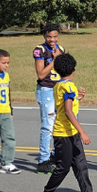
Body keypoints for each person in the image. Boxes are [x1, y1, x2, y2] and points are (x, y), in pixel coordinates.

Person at [33, 53, 97, 192]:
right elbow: (67, 111)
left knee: (81, 167)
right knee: (63, 168)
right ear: (74, 68)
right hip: (63, 134)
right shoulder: (68, 86)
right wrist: (83, 132)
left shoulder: (59, 85)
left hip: (70, 133)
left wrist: (77, 98)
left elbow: (65, 104)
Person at [32, 25, 65, 173]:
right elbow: (40, 74)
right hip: (46, 90)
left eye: (55, 36)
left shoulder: (61, 48)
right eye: (49, 36)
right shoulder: (40, 50)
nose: (52, 39)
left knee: (59, 124)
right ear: (45, 36)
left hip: (58, 90)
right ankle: (43, 160)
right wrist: (54, 60)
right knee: (47, 127)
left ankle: (55, 157)